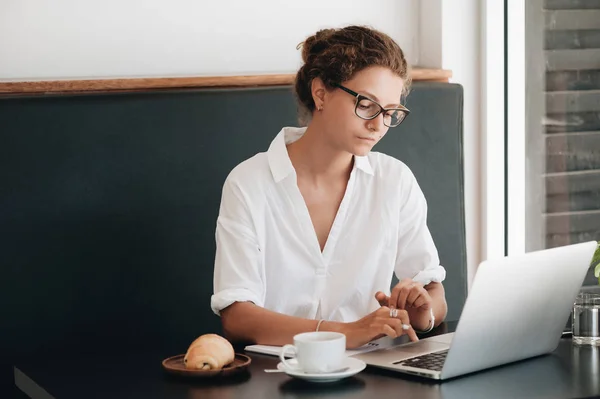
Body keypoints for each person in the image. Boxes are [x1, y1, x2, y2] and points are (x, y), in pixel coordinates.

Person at [210, 25, 447, 349]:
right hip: (277, 374)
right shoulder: (249, 183)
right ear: (320, 93)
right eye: (366, 104)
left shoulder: (395, 181)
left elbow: (435, 293)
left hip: (373, 374)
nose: (378, 125)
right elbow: (237, 317)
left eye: (391, 112)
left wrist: (422, 312)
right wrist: (346, 333)